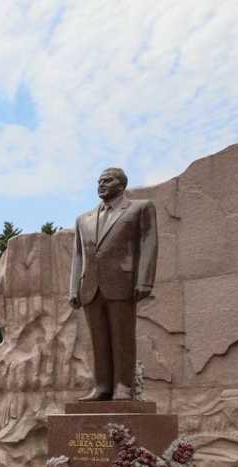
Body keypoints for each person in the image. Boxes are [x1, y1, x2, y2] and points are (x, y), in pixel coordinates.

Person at [69, 166, 158, 401]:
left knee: (122, 337)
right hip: (90, 287)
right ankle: (102, 387)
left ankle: (123, 386)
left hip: (122, 282)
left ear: (121, 184)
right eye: (99, 181)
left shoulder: (140, 208)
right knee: (98, 340)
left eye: (107, 180)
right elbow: (78, 255)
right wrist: (73, 288)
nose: (101, 184)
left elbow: (149, 243)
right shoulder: (83, 219)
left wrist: (144, 280)